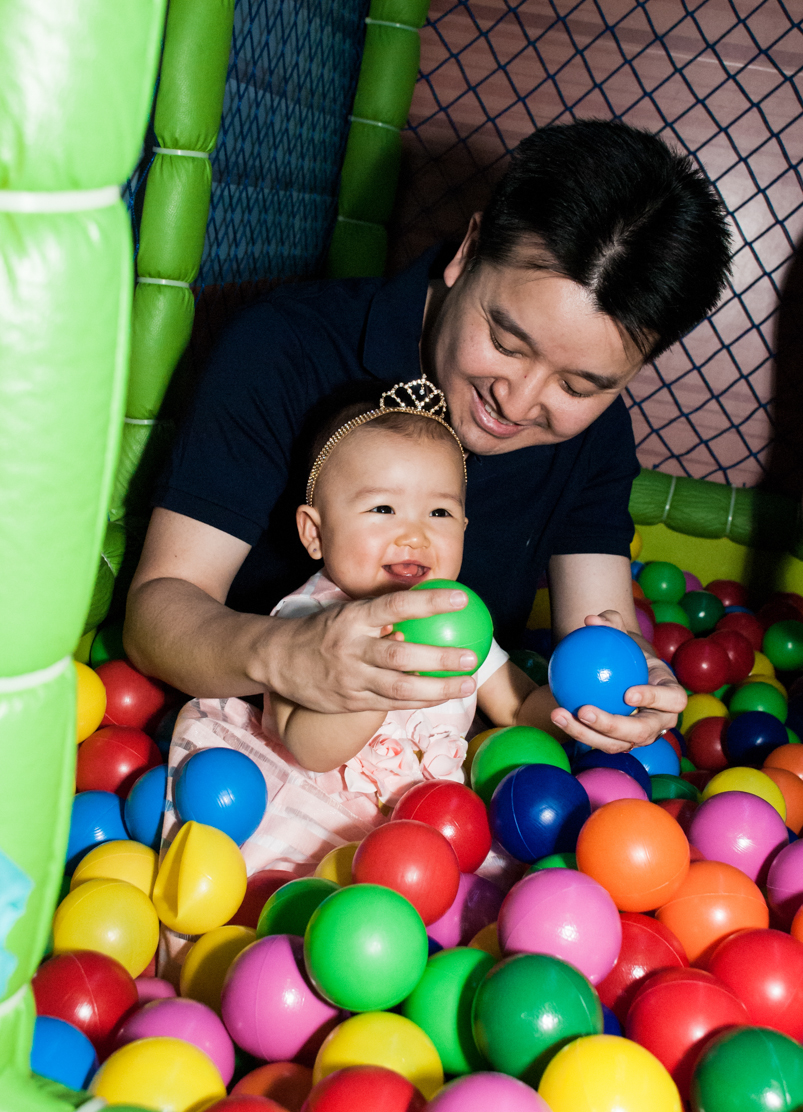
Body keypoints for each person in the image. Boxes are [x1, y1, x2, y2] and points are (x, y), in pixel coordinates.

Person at [125, 119, 733, 755]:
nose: (517, 402)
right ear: (467, 252)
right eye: (505, 342)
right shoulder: (284, 347)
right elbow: (156, 612)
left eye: (579, 387)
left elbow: (598, 638)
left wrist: (630, 691)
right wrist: (286, 652)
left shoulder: (596, 438)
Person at [163, 378, 571, 882]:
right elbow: (310, 747)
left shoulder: (455, 619)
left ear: (465, 528)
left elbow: (519, 710)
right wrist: (379, 676)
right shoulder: (306, 618)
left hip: (433, 825)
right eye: (383, 509)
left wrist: (580, 702)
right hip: (320, 818)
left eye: (439, 512)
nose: (414, 533)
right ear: (315, 532)